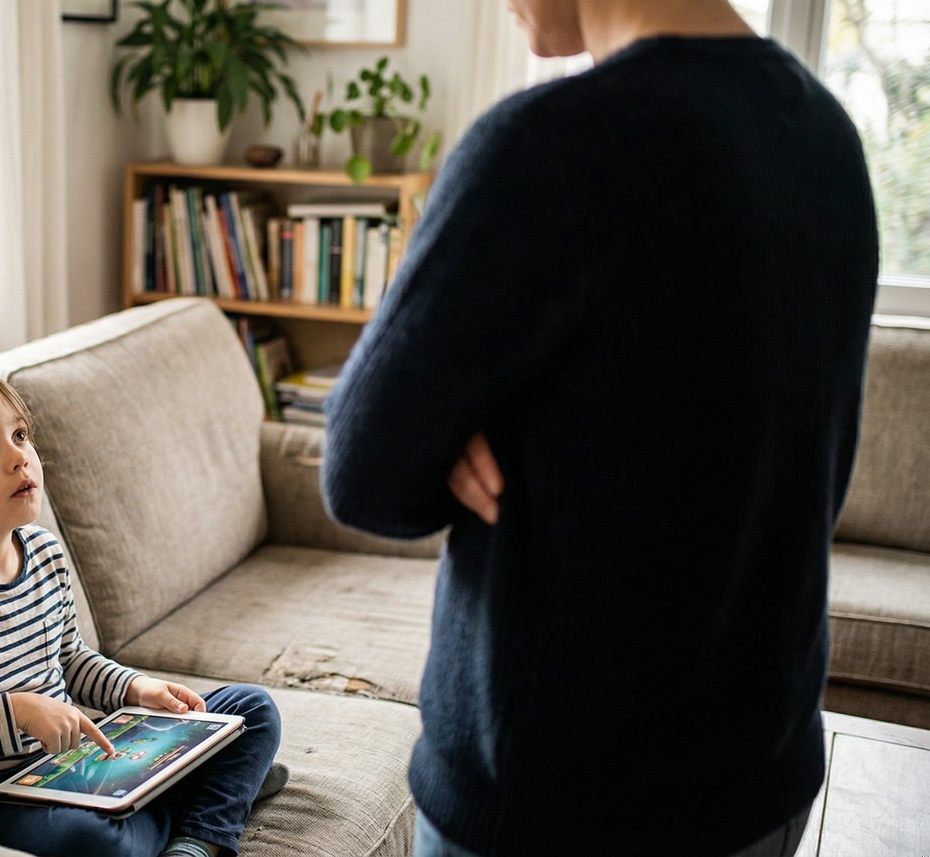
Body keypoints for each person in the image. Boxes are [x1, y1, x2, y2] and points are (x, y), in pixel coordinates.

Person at [320, 1, 880, 855]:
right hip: (762, 777)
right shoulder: (825, 135)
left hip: (558, 804)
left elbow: (361, 468)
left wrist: (465, 415)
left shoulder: (547, 147)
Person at [0, 364, 285, 857]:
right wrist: (15, 712)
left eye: (19, 435)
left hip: (72, 768)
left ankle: (195, 831)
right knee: (94, 844)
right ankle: (207, 802)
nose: (19, 457)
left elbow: (70, 660)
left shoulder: (42, 552)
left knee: (251, 711)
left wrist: (135, 687)